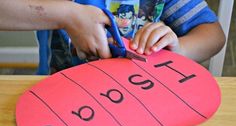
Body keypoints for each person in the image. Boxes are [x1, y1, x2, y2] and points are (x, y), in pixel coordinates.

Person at [0, 0, 225, 75]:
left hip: (140, 97)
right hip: (61, 94)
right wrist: (66, 15)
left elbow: (213, 34)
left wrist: (179, 51)